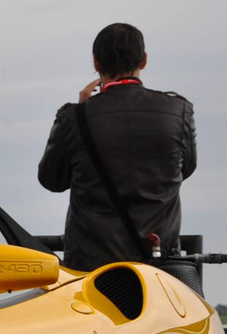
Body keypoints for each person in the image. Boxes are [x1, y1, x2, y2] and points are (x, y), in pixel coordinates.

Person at [37, 22, 197, 272]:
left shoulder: (75, 117)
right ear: (143, 61)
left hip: (93, 267)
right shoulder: (178, 111)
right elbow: (185, 168)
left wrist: (79, 111)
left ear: (96, 63)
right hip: (158, 262)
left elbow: (51, 180)